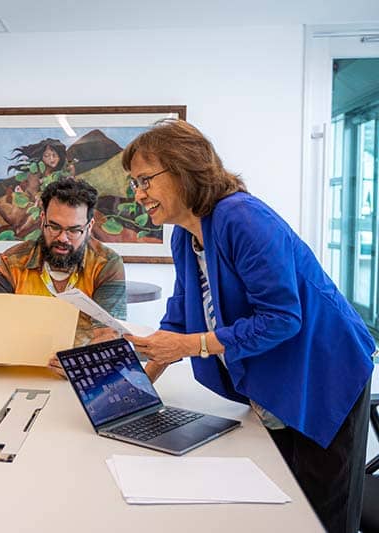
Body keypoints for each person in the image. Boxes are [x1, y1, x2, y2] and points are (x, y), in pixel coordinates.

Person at [120, 119, 374, 533]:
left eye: (145, 179)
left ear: (184, 169)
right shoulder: (185, 236)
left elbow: (281, 318)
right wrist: (141, 369)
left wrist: (186, 347)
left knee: (321, 513)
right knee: (281, 497)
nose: (139, 193)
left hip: (325, 370)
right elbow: (181, 311)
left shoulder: (242, 217)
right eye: (134, 183)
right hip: (278, 373)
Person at [0, 178, 127, 371]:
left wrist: (76, 365)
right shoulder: (10, 263)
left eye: (74, 230)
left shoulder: (106, 264)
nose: (62, 238)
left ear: (90, 226)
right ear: (42, 219)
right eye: (54, 227)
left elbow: (108, 336)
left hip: (86, 375)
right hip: (20, 370)